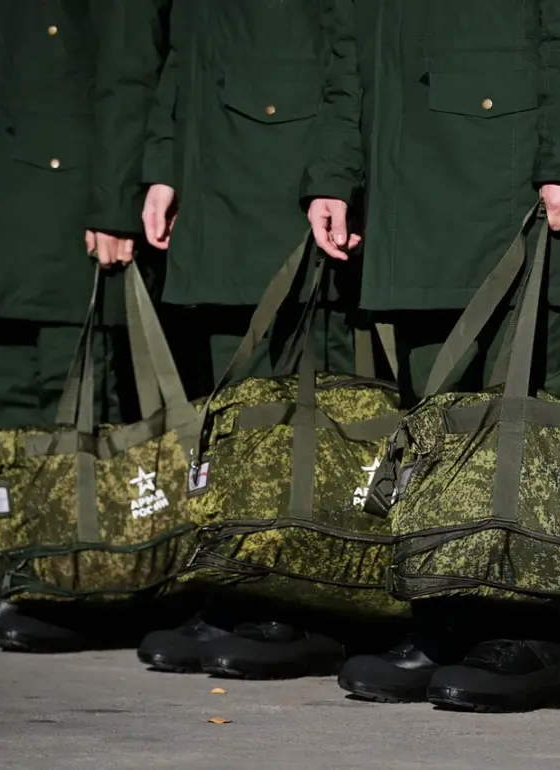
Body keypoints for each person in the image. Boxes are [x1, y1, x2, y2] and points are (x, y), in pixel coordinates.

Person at [303, 0, 560, 712]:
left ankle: (538, 634)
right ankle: (449, 617)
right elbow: (350, 40)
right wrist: (335, 171)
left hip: (513, 172)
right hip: (415, 184)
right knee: (438, 420)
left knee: (533, 412)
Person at [0, 0, 171, 653]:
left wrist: (114, 203)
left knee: (74, 405)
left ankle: (83, 582)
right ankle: (22, 574)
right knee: (9, 406)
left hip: (75, 196)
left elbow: (128, 69)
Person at [134, 0, 369, 681]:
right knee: (234, 405)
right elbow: (184, 51)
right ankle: (239, 582)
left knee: (301, 402)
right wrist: (165, 163)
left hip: (288, 173)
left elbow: (349, 52)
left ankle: (303, 597)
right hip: (214, 178)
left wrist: (333, 175)